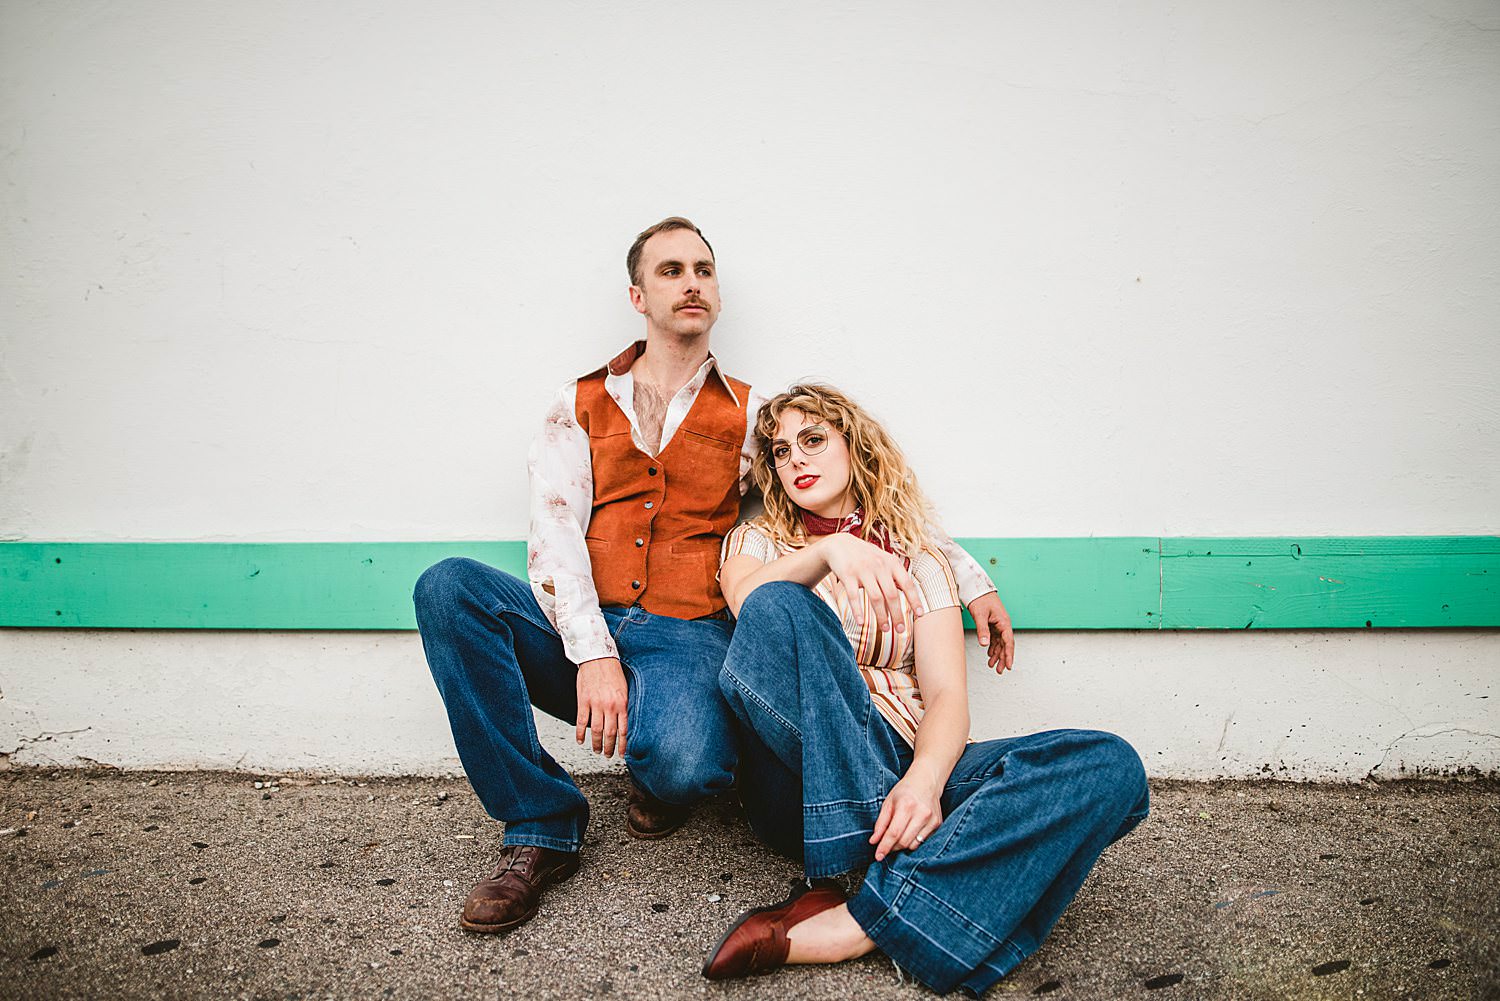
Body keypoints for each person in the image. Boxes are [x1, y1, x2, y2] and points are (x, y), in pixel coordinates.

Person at [412, 218, 1016, 934]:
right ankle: (540, 822)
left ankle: (658, 762)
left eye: (703, 269)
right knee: (448, 588)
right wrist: (595, 653)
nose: (691, 281)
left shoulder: (756, 415)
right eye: (670, 270)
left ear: (717, 294)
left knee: (690, 769)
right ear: (637, 295)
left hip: (688, 632)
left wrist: (966, 573)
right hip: (590, 620)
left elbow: (854, 495)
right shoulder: (575, 403)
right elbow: (552, 536)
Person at [703, 384, 1149, 995]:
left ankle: (857, 921)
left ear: (855, 448)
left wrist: (924, 782)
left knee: (1108, 766)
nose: (795, 460)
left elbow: (944, 698)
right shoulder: (759, 544)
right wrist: (831, 550)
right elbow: (750, 607)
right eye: (780, 451)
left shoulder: (920, 560)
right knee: (783, 603)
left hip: (902, 768)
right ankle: (869, 866)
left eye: (813, 440)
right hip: (799, 784)